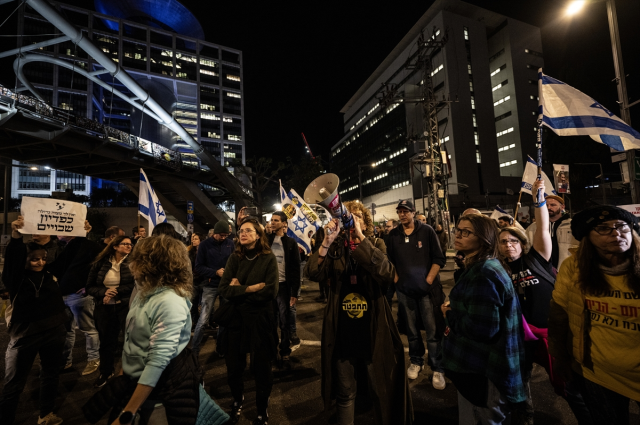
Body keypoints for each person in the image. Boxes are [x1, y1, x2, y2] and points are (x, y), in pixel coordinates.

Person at [306, 201, 413, 425]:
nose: (352, 220)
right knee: (345, 392)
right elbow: (313, 273)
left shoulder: (376, 243)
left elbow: (387, 274)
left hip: (373, 327)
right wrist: (326, 241)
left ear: (365, 223)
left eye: (357, 217)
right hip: (343, 329)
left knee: (380, 388)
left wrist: (361, 240)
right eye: (348, 216)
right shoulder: (335, 248)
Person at [105, 235, 229, 425]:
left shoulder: (169, 301)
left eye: (137, 259)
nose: (131, 264)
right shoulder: (145, 293)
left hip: (160, 395)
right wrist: (123, 375)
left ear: (153, 264)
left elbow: (157, 361)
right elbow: (133, 343)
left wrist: (127, 414)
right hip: (138, 386)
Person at [498, 179, 592, 425]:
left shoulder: (537, 258)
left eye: (514, 241)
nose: (509, 246)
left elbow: (542, 227)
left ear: (523, 242)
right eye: (503, 242)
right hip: (521, 336)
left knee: (569, 386)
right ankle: (525, 418)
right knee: (520, 381)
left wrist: (539, 200)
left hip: (552, 334)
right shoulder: (498, 270)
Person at [548, 205, 640, 425]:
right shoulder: (574, 267)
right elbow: (559, 316)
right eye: (603, 229)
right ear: (587, 237)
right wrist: (560, 358)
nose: (616, 233)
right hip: (597, 372)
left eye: (622, 227)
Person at [441, 213, 526, 424]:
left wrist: (449, 314)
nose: (458, 235)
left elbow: (482, 329)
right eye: (457, 230)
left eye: (466, 232)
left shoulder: (484, 272)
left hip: (484, 371)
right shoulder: (482, 266)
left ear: (484, 238)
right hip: (480, 369)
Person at [0, 217, 68, 425]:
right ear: (25, 260)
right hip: (25, 334)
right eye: (34, 259)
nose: (39, 262)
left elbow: (70, 257)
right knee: (14, 382)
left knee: (50, 374)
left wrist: (79, 235)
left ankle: (45, 414)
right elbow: (13, 261)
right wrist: (16, 236)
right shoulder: (16, 279)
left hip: (54, 331)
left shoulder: (50, 274)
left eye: (43, 258)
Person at [218, 218, 279, 425]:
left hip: (260, 319)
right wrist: (251, 288)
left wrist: (239, 289)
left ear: (258, 234)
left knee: (261, 368)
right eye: (240, 231)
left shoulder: (268, 258)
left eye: (247, 231)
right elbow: (224, 289)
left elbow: (270, 291)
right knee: (234, 366)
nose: (242, 234)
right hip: (236, 319)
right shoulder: (235, 258)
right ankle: (237, 399)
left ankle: (262, 410)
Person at [386, 200, 447, 388]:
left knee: (433, 331)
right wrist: (397, 279)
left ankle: (437, 368)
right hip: (405, 291)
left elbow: (439, 258)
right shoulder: (393, 235)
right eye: (400, 212)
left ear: (413, 212)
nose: (403, 215)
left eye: (406, 211)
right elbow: (390, 260)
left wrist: (428, 279)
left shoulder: (427, 231)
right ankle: (416, 361)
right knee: (411, 331)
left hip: (426, 292)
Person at [50, 230, 102, 375]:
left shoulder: (89, 246)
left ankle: (94, 359)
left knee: (88, 329)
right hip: (62, 295)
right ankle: (66, 361)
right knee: (67, 330)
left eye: (62, 229)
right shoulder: (61, 247)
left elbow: (101, 267)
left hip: (79, 297)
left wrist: (89, 287)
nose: (57, 232)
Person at [86, 235, 135, 388]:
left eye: (130, 244)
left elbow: (136, 285)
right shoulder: (100, 263)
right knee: (107, 341)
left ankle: (130, 373)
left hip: (125, 306)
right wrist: (104, 292)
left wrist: (116, 291)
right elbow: (90, 287)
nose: (129, 246)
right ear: (115, 246)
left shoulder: (133, 263)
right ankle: (106, 372)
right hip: (104, 308)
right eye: (125, 244)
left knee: (130, 340)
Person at [193, 222, 234, 357]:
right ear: (214, 233)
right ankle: (194, 351)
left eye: (226, 235)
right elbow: (198, 267)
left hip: (226, 285)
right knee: (203, 319)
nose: (223, 237)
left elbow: (234, 262)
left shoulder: (230, 243)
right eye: (221, 235)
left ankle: (220, 347)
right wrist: (215, 272)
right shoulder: (204, 245)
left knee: (224, 318)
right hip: (210, 285)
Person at [267, 211, 301, 368]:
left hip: (283, 287)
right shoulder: (266, 241)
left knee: (284, 321)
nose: (272, 222)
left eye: (275, 220)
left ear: (283, 223)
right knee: (271, 321)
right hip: (268, 287)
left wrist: (294, 292)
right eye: (271, 220)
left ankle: (285, 351)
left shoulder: (290, 243)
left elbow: (295, 269)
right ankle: (272, 351)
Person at [525, 194, 578, 270]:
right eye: (546, 205)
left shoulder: (573, 226)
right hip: (542, 272)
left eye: (553, 205)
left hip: (567, 271)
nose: (549, 207)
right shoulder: (533, 227)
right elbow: (526, 248)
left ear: (562, 207)